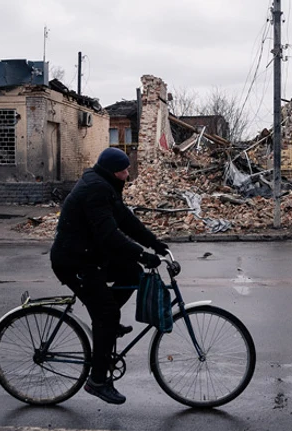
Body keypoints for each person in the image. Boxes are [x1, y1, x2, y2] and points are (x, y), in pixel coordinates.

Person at [50, 147, 169, 405]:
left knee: (132, 274)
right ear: (114, 172)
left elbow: (126, 221)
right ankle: (98, 381)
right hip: (73, 261)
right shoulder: (96, 190)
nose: (128, 174)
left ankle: (107, 328)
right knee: (106, 313)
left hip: (89, 255)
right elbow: (109, 235)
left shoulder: (104, 185)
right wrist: (142, 253)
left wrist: (156, 244)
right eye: (125, 170)